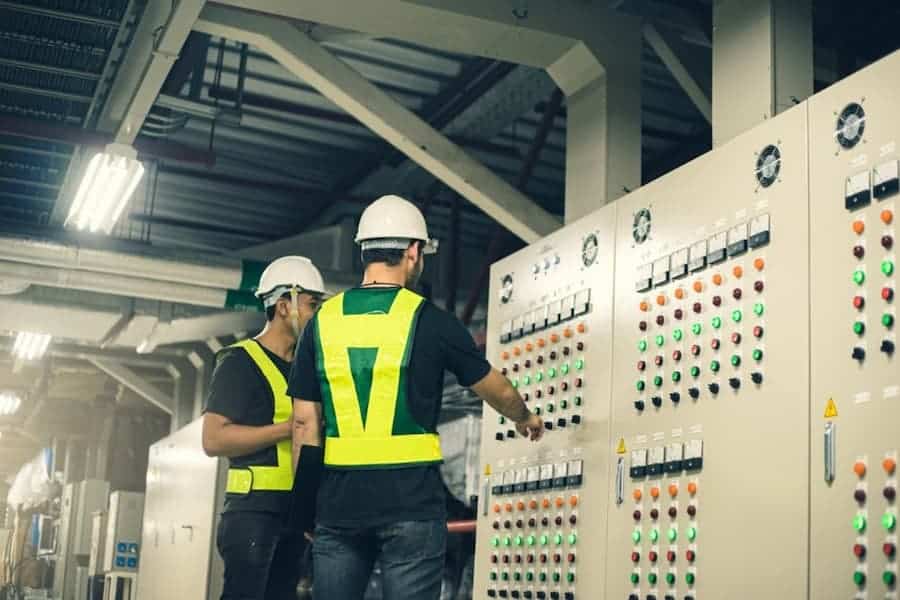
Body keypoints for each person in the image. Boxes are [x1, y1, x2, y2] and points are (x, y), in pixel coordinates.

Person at [288, 195, 544, 600]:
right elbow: (495, 386)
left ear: (363, 252)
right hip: (411, 505)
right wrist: (524, 417)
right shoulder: (432, 321)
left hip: (339, 505)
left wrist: (304, 504)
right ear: (413, 251)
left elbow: (305, 423)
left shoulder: (321, 323)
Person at [202, 255, 325, 600]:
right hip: (251, 513)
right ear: (284, 305)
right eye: (312, 304)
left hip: (293, 514)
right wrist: (289, 428)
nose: (318, 314)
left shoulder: (306, 367)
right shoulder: (239, 361)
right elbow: (213, 439)